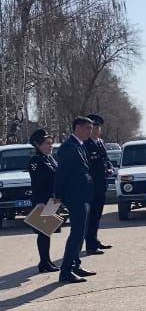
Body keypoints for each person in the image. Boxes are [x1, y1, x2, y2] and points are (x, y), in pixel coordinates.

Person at [54, 117, 97, 283]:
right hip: (75, 196)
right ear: (77, 128)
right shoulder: (68, 147)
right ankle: (66, 271)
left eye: (91, 128)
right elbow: (61, 173)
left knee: (82, 233)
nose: (90, 132)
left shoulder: (79, 145)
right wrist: (57, 195)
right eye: (87, 128)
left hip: (83, 195)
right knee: (76, 233)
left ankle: (75, 265)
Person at [28, 129, 60, 273]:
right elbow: (37, 183)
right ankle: (44, 262)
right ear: (38, 145)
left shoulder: (50, 158)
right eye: (47, 143)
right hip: (42, 201)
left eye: (51, 143)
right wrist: (40, 202)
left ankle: (47, 261)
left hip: (52, 200)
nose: (50, 146)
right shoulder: (36, 160)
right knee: (43, 232)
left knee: (48, 232)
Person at [83, 114, 114, 255]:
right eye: (93, 127)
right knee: (92, 216)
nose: (96, 129)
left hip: (101, 185)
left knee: (97, 215)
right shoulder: (85, 145)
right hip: (91, 186)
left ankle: (95, 240)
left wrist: (110, 168)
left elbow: (105, 160)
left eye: (98, 127)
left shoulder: (100, 142)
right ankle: (90, 244)